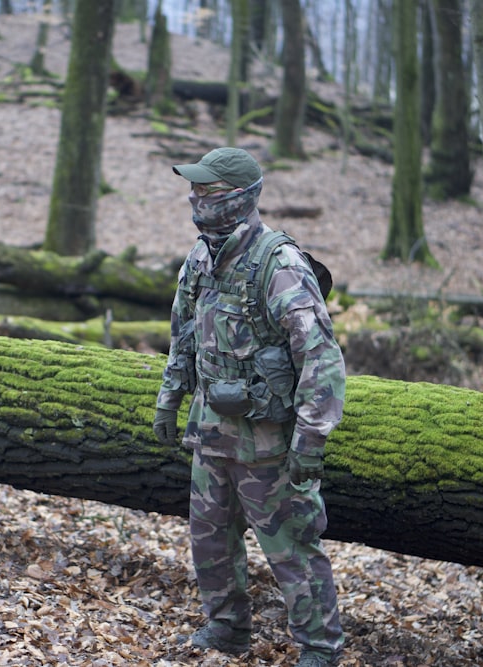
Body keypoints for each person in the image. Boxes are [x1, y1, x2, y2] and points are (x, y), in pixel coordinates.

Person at [152, 147, 346, 667]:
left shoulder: (277, 264)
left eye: (207, 191)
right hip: (210, 433)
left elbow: (322, 361)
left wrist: (310, 442)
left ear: (239, 198)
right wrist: (169, 400)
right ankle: (226, 627)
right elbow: (183, 336)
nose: (196, 198)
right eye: (194, 189)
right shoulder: (200, 258)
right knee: (210, 540)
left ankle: (320, 649)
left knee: (292, 549)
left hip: (268, 445)